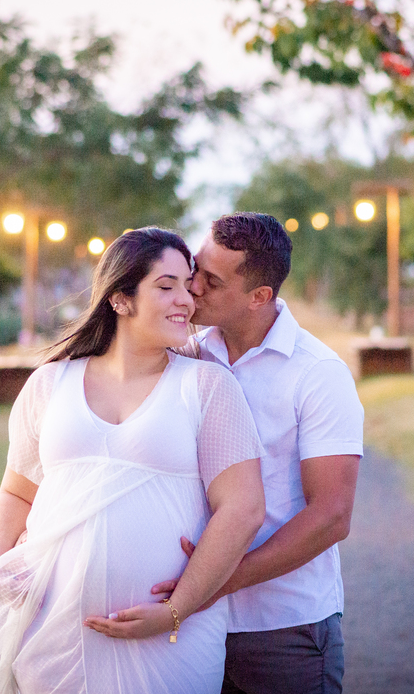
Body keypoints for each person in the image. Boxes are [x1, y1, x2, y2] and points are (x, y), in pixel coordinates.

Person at [0, 227, 266, 694]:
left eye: (187, 286)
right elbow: (16, 490)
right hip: (54, 629)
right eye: (165, 286)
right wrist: (2, 566)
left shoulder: (208, 387)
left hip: (171, 639)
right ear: (120, 299)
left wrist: (176, 610)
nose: (186, 301)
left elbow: (244, 508)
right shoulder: (50, 384)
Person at [154, 212, 364, 693]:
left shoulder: (318, 374)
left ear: (259, 297)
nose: (194, 288)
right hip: (188, 628)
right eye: (194, 270)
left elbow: (333, 515)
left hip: (283, 628)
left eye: (211, 280)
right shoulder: (185, 354)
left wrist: (215, 581)